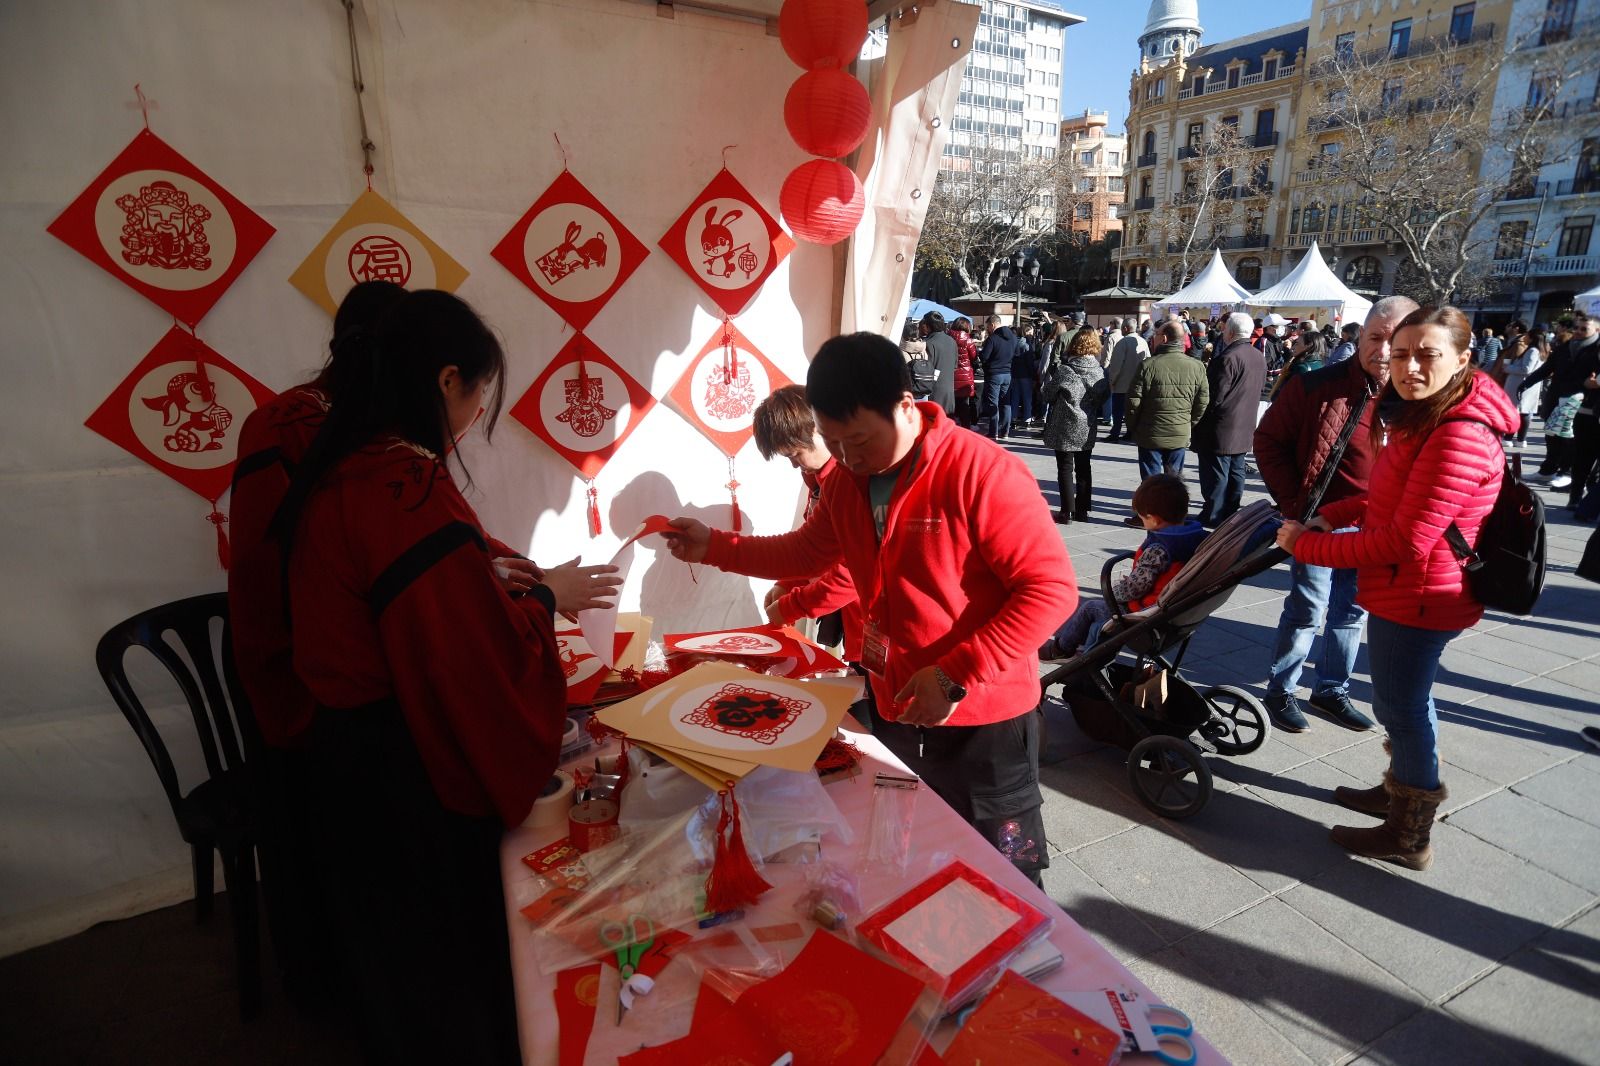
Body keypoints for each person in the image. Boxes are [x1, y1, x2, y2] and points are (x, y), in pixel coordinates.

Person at [273, 289, 621, 1064]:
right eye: (479, 393)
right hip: (396, 764)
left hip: (343, 754)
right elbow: (466, 656)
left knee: (392, 960)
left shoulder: (350, 462)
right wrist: (539, 598)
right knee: (435, 962)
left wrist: (506, 578)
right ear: (445, 380)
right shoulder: (401, 487)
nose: (476, 411)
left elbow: (432, 592)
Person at [662, 332, 1076, 886]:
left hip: (984, 718)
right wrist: (714, 546)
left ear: (906, 407)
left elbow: (1050, 591)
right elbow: (807, 551)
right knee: (915, 850)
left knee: (1007, 874)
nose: (849, 458)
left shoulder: (982, 472)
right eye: (833, 444)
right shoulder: (848, 483)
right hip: (899, 701)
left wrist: (955, 674)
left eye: (859, 440)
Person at [1276, 305, 1517, 870]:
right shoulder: (1427, 417)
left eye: (1426, 355)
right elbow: (1385, 497)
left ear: (1462, 359)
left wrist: (1305, 546)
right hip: (1405, 587)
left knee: (1402, 707)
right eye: (1401, 354)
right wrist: (1331, 516)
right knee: (1403, 703)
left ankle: (1408, 834)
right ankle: (1397, 789)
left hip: (1421, 592)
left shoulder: (1456, 433)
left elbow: (1407, 539)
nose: (1408, 367)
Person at [1254, 295, 1419, 733]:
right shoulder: (1314, 385)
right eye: (1375, 337)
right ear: (1358, 336)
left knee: (1351, 612)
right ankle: (1281, 689)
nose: (1382, 351)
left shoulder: (1418, 398)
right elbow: (1267, 441)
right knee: (1309, 607)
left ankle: (1331, 689)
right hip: (1318, 523)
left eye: (1395, 340)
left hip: (1377, 530)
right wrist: (1295, 506)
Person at [1041, 474, 1206, 659]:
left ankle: (1061, 649)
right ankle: (1083, 647)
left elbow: (1134, 589)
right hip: (1169, 609)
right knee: (1099, 620)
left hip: (1144, 613)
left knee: (1091, 608)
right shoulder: (1194, 536)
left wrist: (1114, 592)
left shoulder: (1159, 549)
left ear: (1154, 519)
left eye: (1143, 518)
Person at [752, 385, 862, 659]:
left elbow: (854, 572)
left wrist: (793, 606)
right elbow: (816, 548)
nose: (793, 465)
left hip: (877, 624)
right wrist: (788, 583)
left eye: (794, 454)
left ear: (817, 430)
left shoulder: (853, 481)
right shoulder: (817, 479)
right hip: (854, 621)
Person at [1193, 312, 1268, 528]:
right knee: (1236, 471)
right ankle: (1231, 511)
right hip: (1245, 424)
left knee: (1217, 474)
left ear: (1231, 332)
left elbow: (1214, 397)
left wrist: (1198, 420)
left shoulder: (1227, 358)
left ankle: (1214, 514)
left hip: (1222, 427)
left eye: (1225, 330)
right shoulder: (1257, 357)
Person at [1124, 320, 1209, 492]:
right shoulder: (1197, 366)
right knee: (1174, 481)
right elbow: (1202, 402)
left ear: (1163, 338)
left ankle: (1150, 514)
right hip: (1179, 432)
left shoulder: (1148, 366)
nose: (1153, 339)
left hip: (1150, 432)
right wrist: (1188, 423)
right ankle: (1172, 513)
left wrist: (1133, 426)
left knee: (1151, 482)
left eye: (1155, 335)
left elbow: (1133, 402)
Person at [1522, 311, 1599, 493]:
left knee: (1569, 438)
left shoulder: (1596, 350)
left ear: (1596, 330)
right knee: (1551, 434)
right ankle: (1548, 469)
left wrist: (1588, 385)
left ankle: (1566, 472)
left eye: (1583, 329)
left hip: (1581, 402)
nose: (1578, 331)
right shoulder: (1565, 346)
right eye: (1576, 328)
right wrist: (1527, 382)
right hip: (1557, 395)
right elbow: (1548, 367)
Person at [1041, 328, 1108, 524]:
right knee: (1084, 467)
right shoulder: (1099, 372)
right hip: (1086, 425)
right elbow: (1104, 396)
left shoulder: (1065, 370)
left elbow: (1048, 395)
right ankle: (1082, 511)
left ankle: (1066, 511)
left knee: (1065, 467)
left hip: (1065, 424)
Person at [1105, 317, 1150, 443]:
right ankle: (1130, 432)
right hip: (1137, 384)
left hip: (1122, 383)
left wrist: (1112, 380)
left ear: (1125, 328)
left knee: (1118, 411)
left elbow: (1116, 365)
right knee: (1132, 411)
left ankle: (1115, 433)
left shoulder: (1123, 343)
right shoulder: (1143, 342)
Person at [1496, 331, 1543, 450]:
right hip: (1526, 385)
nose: (1524, 338)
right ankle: (1519, 439)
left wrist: (1508, 368)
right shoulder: (1539, 351)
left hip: (1521, 384)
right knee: (1523, 412)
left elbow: (1527, 369)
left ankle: (1510, 438)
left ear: (1532, 338)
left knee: (1519, 412)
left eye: (1527, 336)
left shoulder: (1532, 351)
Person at [979, 313, 1020, 439]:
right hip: (1008, 374)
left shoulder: (992, 339)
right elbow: (1017, 354)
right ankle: (1005, 432)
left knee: (993, 404)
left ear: (992, 324)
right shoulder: (1013, 338)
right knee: (1006, 403)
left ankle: (993, 432)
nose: (987, 330)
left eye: (988, 327)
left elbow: (984, 357)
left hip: (994, 374)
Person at [918, 311, 959, 417]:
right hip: (949, 394)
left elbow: (926, 370)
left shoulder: (928, 343)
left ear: (927, 326)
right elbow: (955, 366)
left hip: (933, 395)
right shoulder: (952, 341)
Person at [1269, 331, 1329, 398]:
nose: (1293, 347)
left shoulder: (1302, 368)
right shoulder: (1319, 363)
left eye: (1297, 343)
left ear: (1309, 345)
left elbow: (1288, 395)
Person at [951, 316, 980, 429]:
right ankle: (965, 429)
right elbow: (973, 356)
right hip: (965, 375)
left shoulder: (949, 336)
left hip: (951, 374)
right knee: (964, 405)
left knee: (952, 405)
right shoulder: (968, 340)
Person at [1012, 322, 1040, 428]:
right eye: (1031, 332)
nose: (1032, 334)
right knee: (1027, 398)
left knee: (1015, 398)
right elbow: (1029, 362)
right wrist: (1032, 375)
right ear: (1027, 332)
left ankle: (1013, 418)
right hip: (1025, 375)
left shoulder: (1014, 342)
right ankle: (1027, 419)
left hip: (1014, 374)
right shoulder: (1027, 345)